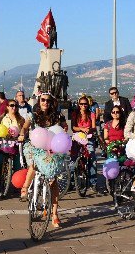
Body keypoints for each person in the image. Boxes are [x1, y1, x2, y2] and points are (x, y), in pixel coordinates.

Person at [20, 92, 68, 227]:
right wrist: (22, 133)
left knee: (53, 181)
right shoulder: (33, 115)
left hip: (52, 148)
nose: (45, 102)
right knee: (34, 165)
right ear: (39, 101)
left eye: (48, 100)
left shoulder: (57, 116)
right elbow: (25, 126)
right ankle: (25, 188)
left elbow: (64, 127)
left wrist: (64, 130)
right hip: (37, 148)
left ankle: (54, 214)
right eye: (42, 100)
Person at [71, 96, 98, 191]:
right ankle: (72, 181)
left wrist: (89, 130)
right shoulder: (75, 114)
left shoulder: (91, 114)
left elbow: (94, 127)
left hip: (88, 137)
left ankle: (93, 182)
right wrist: (82, 129)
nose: (83, 106)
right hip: (77, 137)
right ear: (79, 105)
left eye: (85, 104)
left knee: (92, 158)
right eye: (81, 104)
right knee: (73, 158)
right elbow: (73, 127)